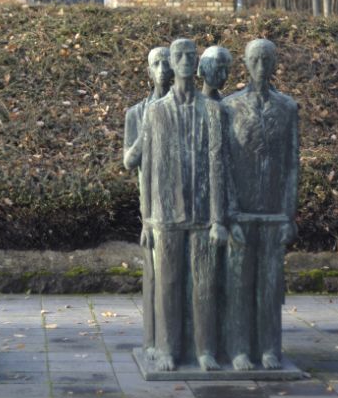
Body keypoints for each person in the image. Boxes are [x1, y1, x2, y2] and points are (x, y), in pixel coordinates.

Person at [138, 38, 229, 371]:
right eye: (180, 56)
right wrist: (147, 221)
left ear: (197, 62)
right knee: (169, 285)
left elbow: (219, 164)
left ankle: (205, 349)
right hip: (164, 216)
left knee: (204, 284)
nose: (186, 60)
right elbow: (147, 168)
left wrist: (219, 218)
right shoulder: (156, 111)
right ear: (172, 62)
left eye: (192, 56)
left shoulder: (213, 111)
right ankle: (167, 349)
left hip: (204, 215)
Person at [221, 39, 299, 370]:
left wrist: (289, 215)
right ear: (245, 62)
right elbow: (222, 163)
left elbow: (293, 163)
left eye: (267, 58)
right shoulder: (229, 107)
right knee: (239, 286)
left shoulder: (287, 107)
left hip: (273, 213)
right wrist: (229, 212)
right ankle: (238, 349)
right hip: (242, 212)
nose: (261, 64)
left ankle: (269, 348)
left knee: (269, 286)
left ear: (275, 63)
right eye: (255, 58)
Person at [123, 46, 172, 356]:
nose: (163, 67)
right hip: (151, 206)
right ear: (148, 71)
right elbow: (129, 161)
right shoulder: (136, 113)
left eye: (166, 61)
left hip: (181, 203)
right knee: (154, 278)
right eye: (156, 62)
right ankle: (153, 341)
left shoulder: (186, 108)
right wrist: (146, 130)